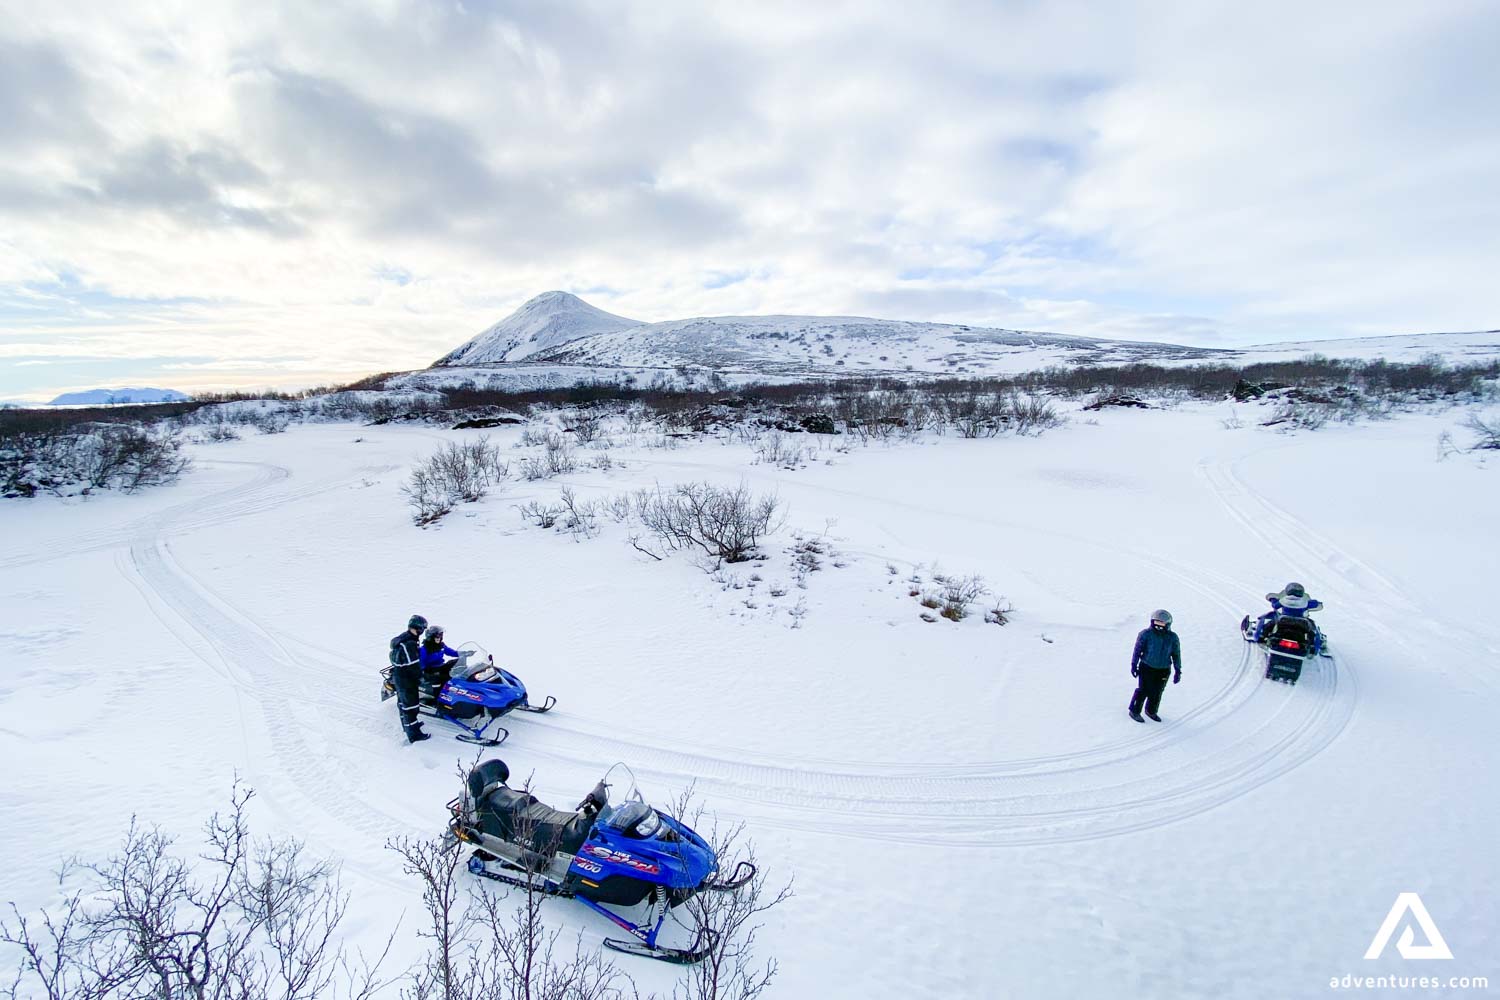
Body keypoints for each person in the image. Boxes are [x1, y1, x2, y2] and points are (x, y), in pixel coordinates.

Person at [1129, 609, 1182, 723]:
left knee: (1157, 692)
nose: (1159, 626)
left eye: (1161, 624)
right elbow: (1137, 650)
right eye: (1156, 623)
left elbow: (1176, 654)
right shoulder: (1146, 634)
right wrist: (1134, 664)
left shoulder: (1172, 637)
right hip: (1147, 667)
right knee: (1143, 690)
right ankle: (1134, 710)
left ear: (1168, 624)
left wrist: (1178, 670)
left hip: (1163, 669)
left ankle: (1151, 711)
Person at [389, 614, 430, 743]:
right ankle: (414, 735)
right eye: (422, 629)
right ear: (418, 628)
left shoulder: (404, 638)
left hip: (400, 677)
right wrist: (421, 678)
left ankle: (409, 727)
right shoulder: (410, 643)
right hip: (406, 680)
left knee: (403, 704)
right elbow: (413, 665)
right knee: (410, 707)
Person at [1252, 582, 1324, 640]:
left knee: (1269, 625)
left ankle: (1260, 636)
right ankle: (1314, 645)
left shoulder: (1283, 600)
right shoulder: (1305, 602)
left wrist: (1272, 599)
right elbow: (1315, 604)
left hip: (1284, 621)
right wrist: (1317, 603)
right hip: (1300, 623)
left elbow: (1275, 606)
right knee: (1312, 630)